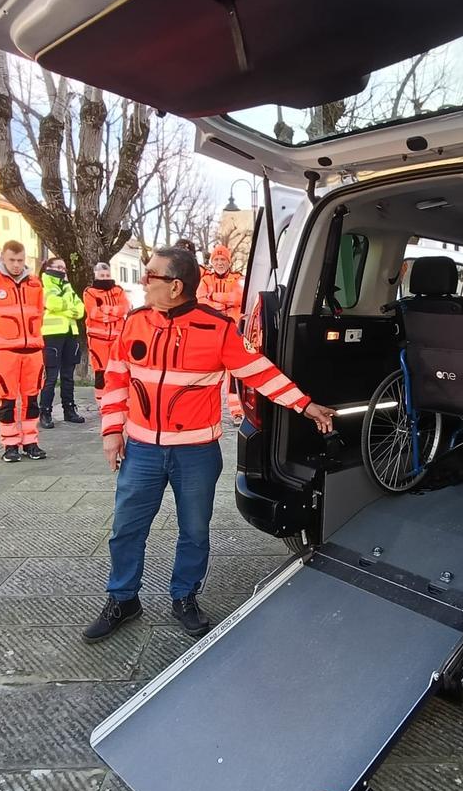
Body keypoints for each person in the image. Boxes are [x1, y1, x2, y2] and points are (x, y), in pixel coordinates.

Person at [82, 247, 335, 643]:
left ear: (176, 286)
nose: (144, 282)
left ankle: (184, 597)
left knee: (194, 530)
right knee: (125, 529)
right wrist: (112, 432)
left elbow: (259, 373)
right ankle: (123, 598)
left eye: (151, 276)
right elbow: (115, 379)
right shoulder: (135, 323)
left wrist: (304, 405)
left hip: (196, 453)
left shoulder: (216, 328)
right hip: (143, 451)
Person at [0, 240, 47, 462]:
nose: (16, 265)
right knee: (6, 400)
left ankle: (31, 442)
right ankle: (10, 444)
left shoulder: (35, 285)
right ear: (2, 259)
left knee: (32, 399)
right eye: (12, 260)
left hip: (32, 352)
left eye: (20, 260)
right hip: (5, 352)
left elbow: (39, 314)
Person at [197, 244, 245, 423]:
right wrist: (226, 302)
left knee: (233, 375)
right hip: (211, 334)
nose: (219, 263)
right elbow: (200, 302)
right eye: (216, 260)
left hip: (233, 332)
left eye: (223, 259)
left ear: (229, 261)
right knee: (210, 374)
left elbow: (239, 297)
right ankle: (207, 412)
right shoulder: (205, 280)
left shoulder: (238, 278)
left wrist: (214, 298)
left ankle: (237, 412)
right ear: (212, 262)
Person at [39, 255, 86, 429]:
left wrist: (69, 306)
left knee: (68, 376)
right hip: (52, 335)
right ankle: (45, 412)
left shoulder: (67, 286)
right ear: (48, 267)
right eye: (58, 267)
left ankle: (69, 410)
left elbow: (80, 309)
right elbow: (52, 303)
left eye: (63, 268)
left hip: (70, 333)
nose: (61, 271)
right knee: (51, 377)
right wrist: (70, 308)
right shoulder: (43, 284)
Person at [83, 261, 130, 400]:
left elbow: (125, 309)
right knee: (101, 372)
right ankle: (101, 403)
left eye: (107, 274)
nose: (105, 277)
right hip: (98, 340)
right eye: (102, 275)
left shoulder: (119, 290)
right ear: (96, 276)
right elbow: (93, 313)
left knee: (119, 371)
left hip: (117, 338)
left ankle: (118, 400)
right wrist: (114, 314)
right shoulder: (89, 292)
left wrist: (105, 309)